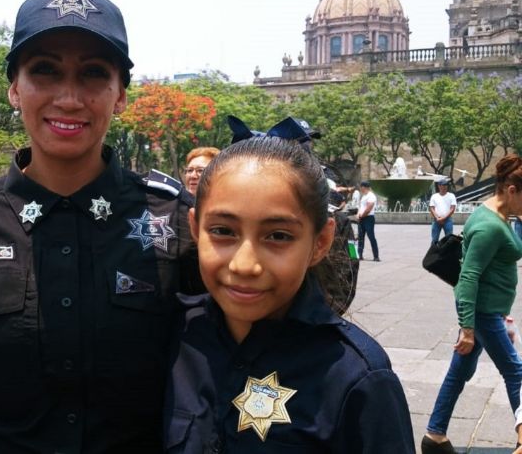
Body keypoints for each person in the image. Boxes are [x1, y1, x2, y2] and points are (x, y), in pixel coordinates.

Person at [0, 0, 204, 452]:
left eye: (92, 74)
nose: (68, 97)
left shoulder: (175, 219)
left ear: (120, 94)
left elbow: (213, 378)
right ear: (14, 89)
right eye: (44, 71)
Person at [163, 137, 415, 453]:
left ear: (320, 242)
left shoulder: (358, 377)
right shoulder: (173, 336)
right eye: (223, 231)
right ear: (196, 228)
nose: (244, 265)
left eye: (278, 236)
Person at [423, 154, 522, 454]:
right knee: (517, 372)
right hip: (482, 313)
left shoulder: (499, 216)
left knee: (459, 372)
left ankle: (434, 436)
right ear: (511, 190)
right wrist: (467, 326)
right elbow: (468, 277)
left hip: (490, 311)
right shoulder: (489, 226)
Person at [356, 180, 380, 261]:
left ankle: (376, 256)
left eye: (361, 187)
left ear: (363, 187)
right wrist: (358, 214)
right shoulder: (364, 196)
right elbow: (362, 208)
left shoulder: (371, 196)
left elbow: (368, 209)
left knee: (371, 237)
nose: (360, 189)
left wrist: (361, 216)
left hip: (368, 218)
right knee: (360, 237)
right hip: (362, 218)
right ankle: (359, 255)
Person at [429, 178, 457, 244]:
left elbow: (452, 209)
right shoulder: (434, 196)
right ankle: (433, 253)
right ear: (439, 186)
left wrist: (443, 218)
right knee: (434, 240)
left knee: (449, 240)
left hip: (447, 220)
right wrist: (437, 218)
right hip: (436, 220)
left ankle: (448, 254)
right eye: (442, 185)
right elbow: (431, 208)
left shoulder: (451, 196)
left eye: (445, 185)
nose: (444, 187)